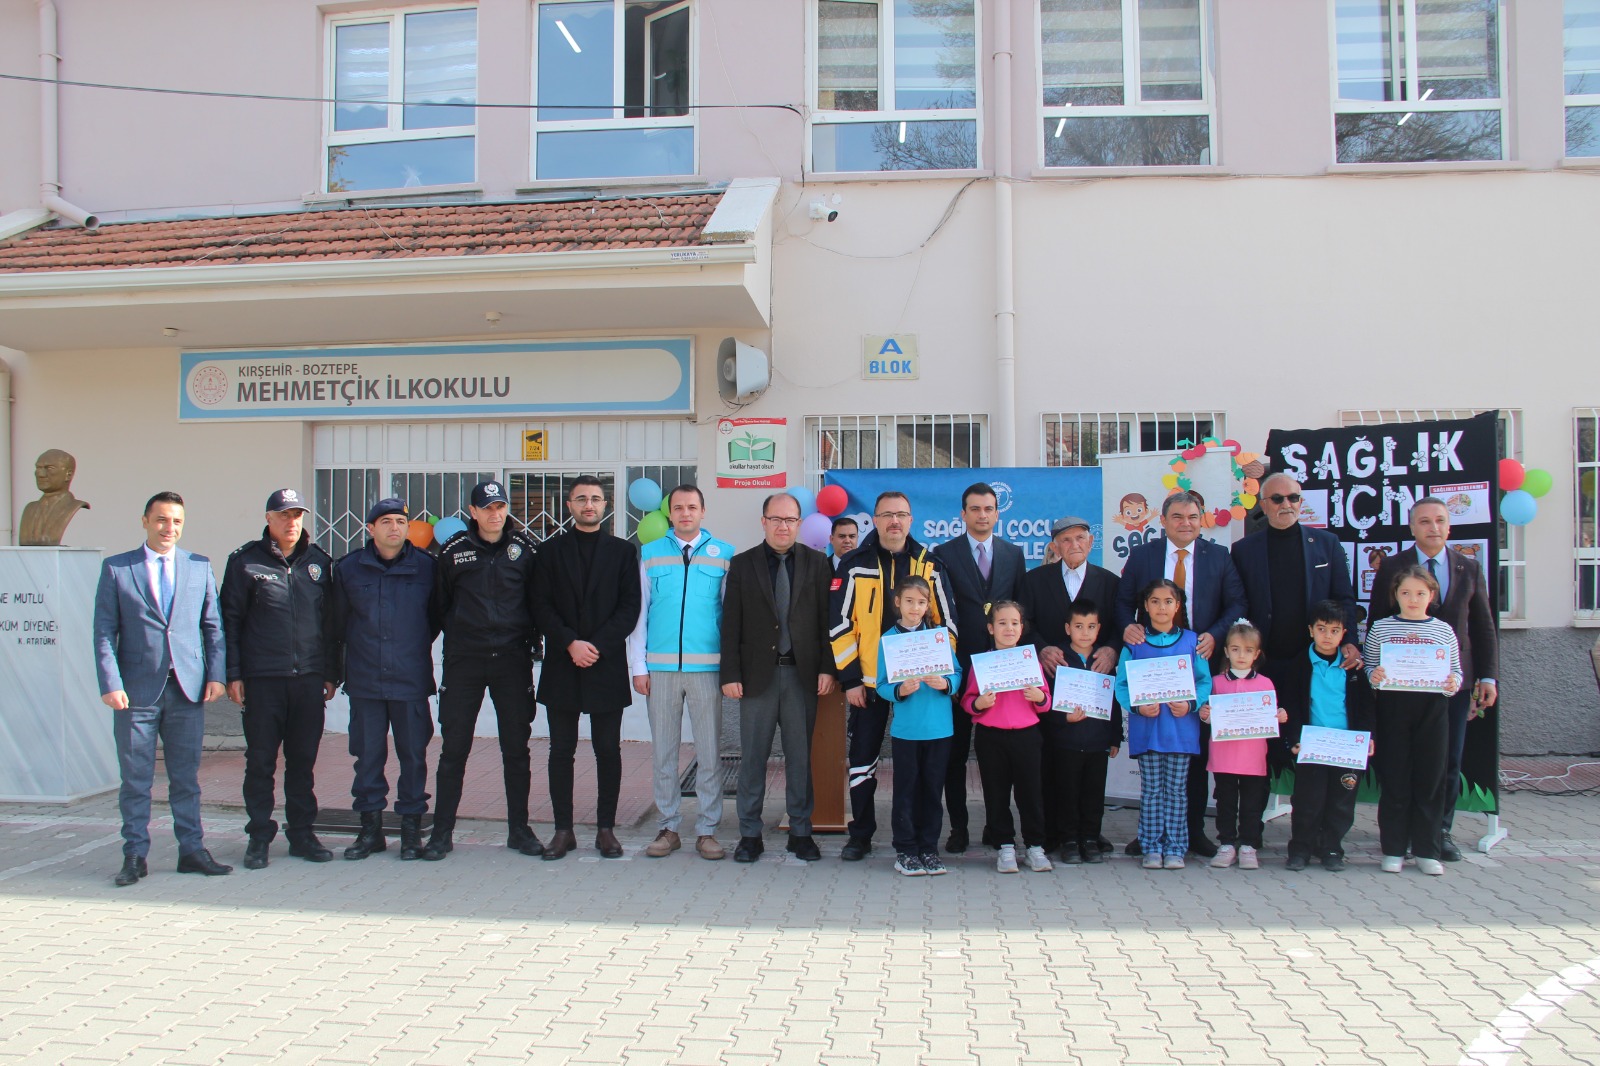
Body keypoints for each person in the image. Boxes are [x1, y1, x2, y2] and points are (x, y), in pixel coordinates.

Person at [94, 491, 230, 886]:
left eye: (176, 521)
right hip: (135, 692)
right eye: (161, 520)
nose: (169, 528)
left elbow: (213, 626)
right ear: (145, 521)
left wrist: (216, 675)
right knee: (136, 778)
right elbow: (104, 631)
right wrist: (110, 682)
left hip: (187, 689)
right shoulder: (118, 569)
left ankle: (192, 850)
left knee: (185, 777)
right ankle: (135, 854)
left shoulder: (198, 566)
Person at [1368, 496, 1498, 863]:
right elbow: (1377, 619)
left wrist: (1487, 676)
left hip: (1450, 686)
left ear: (1449, 526)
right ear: (1412, 527)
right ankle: (1398, 837)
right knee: (1399, 763)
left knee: (1446, 761)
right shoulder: (1393, 566)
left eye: (1440, 520)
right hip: (1399, 690)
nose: (1433, 527)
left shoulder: (1468, 568)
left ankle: (1438, 833)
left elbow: (1483, 627)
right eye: (1424, 521)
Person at [1116, 491, 1245, 858]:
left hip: (1197, 657)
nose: (1185, 523)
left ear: (1201, 518)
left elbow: (1237, 602)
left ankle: (1191, 832)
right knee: (1155, 762)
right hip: (1151, 663)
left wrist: (1215, 635)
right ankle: (1150, 836)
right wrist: (1128, 627)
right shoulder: (1143, 555)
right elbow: (1123, 602)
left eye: (1192, 516)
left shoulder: (1218, 556)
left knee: (1194, 753)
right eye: (1177, 516)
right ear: (1164, 520)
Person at [828, 491, 955, 862]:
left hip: (920, 688)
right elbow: (837, 625)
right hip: (868, 684)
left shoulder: (930, 566)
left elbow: (948, 625)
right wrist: (851, 679)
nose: (894, 521)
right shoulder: (853, 565)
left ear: (911, 520)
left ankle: (919, 841)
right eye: (887, 515)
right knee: (862, 760)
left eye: (901, 514)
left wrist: (938, 675)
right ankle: (861, 835)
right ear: (876, 520)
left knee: (919, 766)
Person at [422, 480, 543, 862]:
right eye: (487, 507)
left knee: (516, 749)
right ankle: (441, 834)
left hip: (511, 660)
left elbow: (538, 603)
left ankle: (519, 831)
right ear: (472, 512)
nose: (495, 514)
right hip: (465, 662)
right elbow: (438, 608)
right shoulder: (453, 552)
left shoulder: (525, 550)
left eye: (500, 506)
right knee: (454, 748)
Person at [220, 488, 336, 870]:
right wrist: (233, 673)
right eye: (283, 515)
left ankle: (302, 833)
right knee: (261, 762)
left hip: (308, 681)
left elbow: (333, 626)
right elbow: (230, 622)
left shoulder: (319, 563)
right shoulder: (244, 562)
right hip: (263, 680)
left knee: (303, 762)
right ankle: (259, 835)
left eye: (297, 515)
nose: (291, 522)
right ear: (268, 519)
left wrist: (332, 673)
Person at [721, 492, 835, 863]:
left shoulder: (819, 564)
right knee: (752, 758)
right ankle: (749, 834)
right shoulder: (742, 564)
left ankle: (801, 832)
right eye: (776, 519)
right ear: (763, 521)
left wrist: (826, 668)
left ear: (800, 524)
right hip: (757, 678)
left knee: (800, 759)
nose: (783, 526)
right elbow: (731, 623)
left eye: (791, 520)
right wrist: (731, 673)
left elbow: (827, 622)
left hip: (801, 676)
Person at [532, 476, 642, 860]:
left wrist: (595, 646)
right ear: (569, 505)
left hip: (605, 664)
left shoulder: (623, 552)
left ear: (606, 503)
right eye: (581, 499)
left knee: (607, 750)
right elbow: (540, 605)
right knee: (560, 751)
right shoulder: (548, 552)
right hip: (563, 664)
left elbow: (630, 608)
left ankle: (605, 830)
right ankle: (563, 831)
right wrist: (570, 643)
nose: (588, 504)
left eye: (595, 498)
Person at [328, 497, 441, 861]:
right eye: (386, 521)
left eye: (400, 521)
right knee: (368, 758)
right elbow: (338, 624)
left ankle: (410, 833)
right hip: (365, 681)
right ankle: (370, 831)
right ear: (370, 528)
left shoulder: (427, 568)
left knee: (413, 757)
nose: (395, 527)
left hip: (410, 680)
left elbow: (435, 618)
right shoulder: (348, 569)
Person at [628, 485, 735, 862]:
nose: (685, 513)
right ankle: (668, 826)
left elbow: (730, 616)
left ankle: (707, 830)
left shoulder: (724, 555)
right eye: (678, 508)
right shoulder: (651, 553)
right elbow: (639, 614)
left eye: (692, 507)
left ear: (703, 512)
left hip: (707, 669)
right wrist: (638, 666)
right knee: (664, 754)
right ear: (669, 513)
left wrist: (729, 669)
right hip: (660, 671)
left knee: (709, 753)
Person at [933, 483, 1025, 854]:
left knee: (997, 758)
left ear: (997, 513)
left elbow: (1021, 611)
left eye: (989, 509)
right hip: (960, 667)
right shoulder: (944, 553)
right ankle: (958, 828)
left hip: (1003, 672)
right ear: (963, 514)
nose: (982, 515)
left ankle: (996, 825)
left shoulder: (1013, 554)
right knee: (954, 755)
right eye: (975, 509)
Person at [1021, 515, 1121, 855]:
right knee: (1054, 761)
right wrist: (1041, 647)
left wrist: (1112, 649)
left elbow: (1121, 627)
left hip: (1094, 684)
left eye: (1080, 538)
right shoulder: (1035, 580)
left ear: (1091, 542)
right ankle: (1056, 833)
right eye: (1066, 540)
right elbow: (1025, 624)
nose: (1074, 545)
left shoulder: (1109, 582)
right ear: (1054, 546)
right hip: (1050, 683)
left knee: (1091, 766)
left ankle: (1089, 833)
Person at [1366, 565, 1463, 876]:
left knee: (1430, 780)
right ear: (1395, 595)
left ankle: (1427, 850)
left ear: (1431, 596)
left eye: (1420, 593)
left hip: (1433, 711)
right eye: (1405, 592)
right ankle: (1393, 849)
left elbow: (1456, 671)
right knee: (1395, 779)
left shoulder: (1443, 630)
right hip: (1394, 709)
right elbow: (1369, 668)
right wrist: (1375, 675)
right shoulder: (1381, 628)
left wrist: (1453, 684)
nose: (1412, 598)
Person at [1115, 579, 1212, 871]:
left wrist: (1192, 703)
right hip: (1148, 730)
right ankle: (1152, 847)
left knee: (1177, 791)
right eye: (1155, 601)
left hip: (1180, 731)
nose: (1161, 607)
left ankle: (1176, 847)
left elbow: (1204, 681)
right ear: (1145, 606)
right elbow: (1121, 684)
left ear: (1178, 606)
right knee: (1152, 791)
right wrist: (1137, 705)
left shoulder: (1192, 641)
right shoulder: (1134, 644)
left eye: (1168, 601)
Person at [873, 576, 961, 876]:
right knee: (907, 791)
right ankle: (906, 850)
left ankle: (929, 848)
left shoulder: (939, 637)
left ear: (928, 605)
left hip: (940, 728)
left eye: (921, 602)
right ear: (898, 601)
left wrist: (946, 682)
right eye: (909, 601)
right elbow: (881, 685)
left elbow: (958, 674)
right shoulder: (889, 639)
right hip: (907, 731)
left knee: (933, 791)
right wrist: (899, 691)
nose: (915, 607)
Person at [958, 601, 1050, 874]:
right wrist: (979, 704)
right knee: (996, 794)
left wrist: (1040, 697)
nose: (1008, 628)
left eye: (1014, 623)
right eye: (1002, 623)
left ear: (1022, 628)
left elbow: (1047, 701)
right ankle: (1005, 847)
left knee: (1031, 793)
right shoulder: (982, 664)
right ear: (990, 628)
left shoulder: (1030, 660)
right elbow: (967, 701)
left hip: (1027, 736)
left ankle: (1035, 847)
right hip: (991, 737)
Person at [1283, 601, 1375, 873]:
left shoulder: (1353, 668)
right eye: (1321, 629)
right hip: (1312, 745)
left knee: (1341, 801)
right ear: (1310, 630)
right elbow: (1291, 705)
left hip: (1347, 747)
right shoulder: (1299, 665)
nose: (1327, 636)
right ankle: (1300, 849)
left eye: (1334, 631)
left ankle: (1332, 848)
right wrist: (1294, 738)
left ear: (1343, 633)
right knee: (1308, 800)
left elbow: (1367, 707)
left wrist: (1368, 737)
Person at [1197, 620, 1285, 871]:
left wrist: (1278, 715)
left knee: (1251, 802)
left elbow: (1269, 717)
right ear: (1226, 651)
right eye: (1235, 649)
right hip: (1224, 756)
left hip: (1253, 756)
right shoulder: (1216, 682)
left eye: (1248, 650)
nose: (1241, 655)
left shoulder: (1265, 684)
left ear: (1256, 654)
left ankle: (1248, 844)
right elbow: (1209, 717)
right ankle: (1226, 843)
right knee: (1225, 801)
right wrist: (1205, 714)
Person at [1048, 602, 1122, 865]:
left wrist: (1115, 736)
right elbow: (1047, 702)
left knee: (1093, 795)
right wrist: (1064, 719)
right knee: (1067, 794)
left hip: (1097, 742)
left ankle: (1090, 840)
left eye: (1091, 627)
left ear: (1099, 629)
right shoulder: (1059, 660)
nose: (1085, 632)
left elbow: (1113, 701)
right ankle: (1069, 840)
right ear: (1068, 628)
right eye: (1079, 626)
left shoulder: (1103, 661)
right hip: (1066, 742)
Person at [18, 448, 90, 546]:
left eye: (49, 468)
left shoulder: (74, 507)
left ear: (68, 474)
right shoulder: (29, 509)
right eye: (38, 468)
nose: (40, 474)